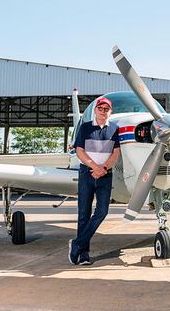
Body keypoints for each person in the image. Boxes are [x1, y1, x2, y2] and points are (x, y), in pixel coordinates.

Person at [68, 97, 120, 265]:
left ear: (110, 112)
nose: (103, 111)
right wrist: (94, 167)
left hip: (105, 174)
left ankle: (77, 243)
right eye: (101, 108)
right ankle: (84, 254)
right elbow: (80, 151)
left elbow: (116, 154)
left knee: (102, 211)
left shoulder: (115, 129)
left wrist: (103, 168)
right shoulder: (85, 127)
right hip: (87, 174)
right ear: (95, 110)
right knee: (83, 215)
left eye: (107, 109)